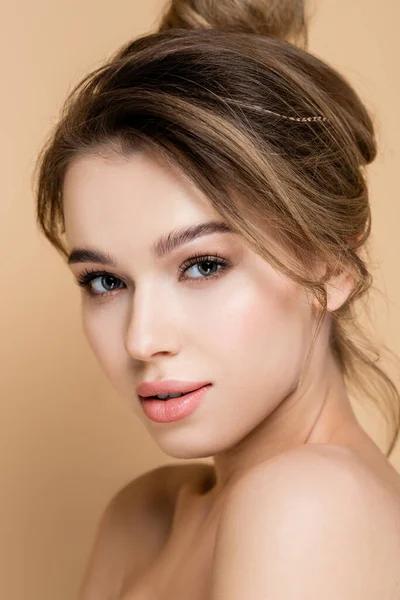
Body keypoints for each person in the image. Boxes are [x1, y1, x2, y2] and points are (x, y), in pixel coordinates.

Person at [34, 0, 400, 598]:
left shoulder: (309, 507)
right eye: (105, 281)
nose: (142, 339)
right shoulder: (143, 519)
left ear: (333, 266)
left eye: (203, 265)